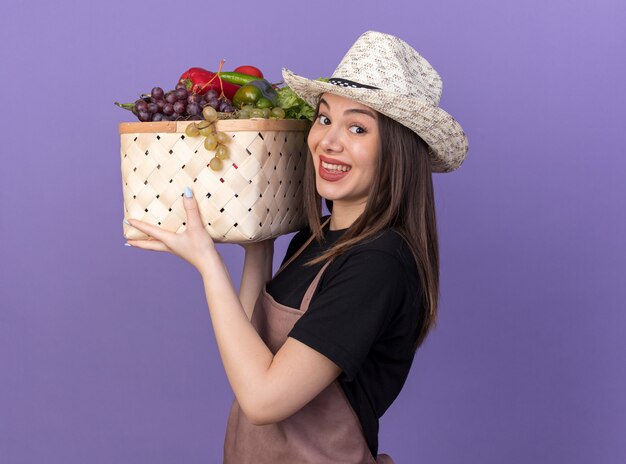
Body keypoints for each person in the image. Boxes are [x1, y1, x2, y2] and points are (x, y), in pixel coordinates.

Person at [125, 30, 468, 463]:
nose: (328, 141)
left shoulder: (379, 262)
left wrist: (208, 265)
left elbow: (263, 400)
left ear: (397, 151)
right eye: (324, 118)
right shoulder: (315, 236)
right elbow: (252, 358)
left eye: (357, 127)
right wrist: (259, 248)